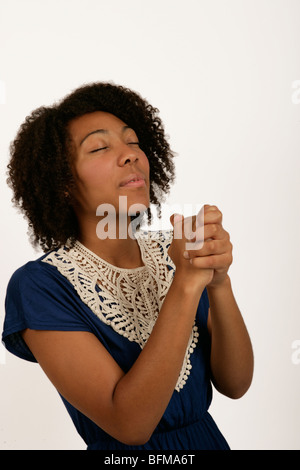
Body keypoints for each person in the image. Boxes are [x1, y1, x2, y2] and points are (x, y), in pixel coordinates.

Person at [2, 82, 253, 450]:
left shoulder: (174, 252)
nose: (130, 155)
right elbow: (130, 424)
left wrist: (218, 281)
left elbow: (236, 383)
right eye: (100, 147)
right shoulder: (41, 286)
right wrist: (186, 285)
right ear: (63, 183)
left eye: (134, 142)